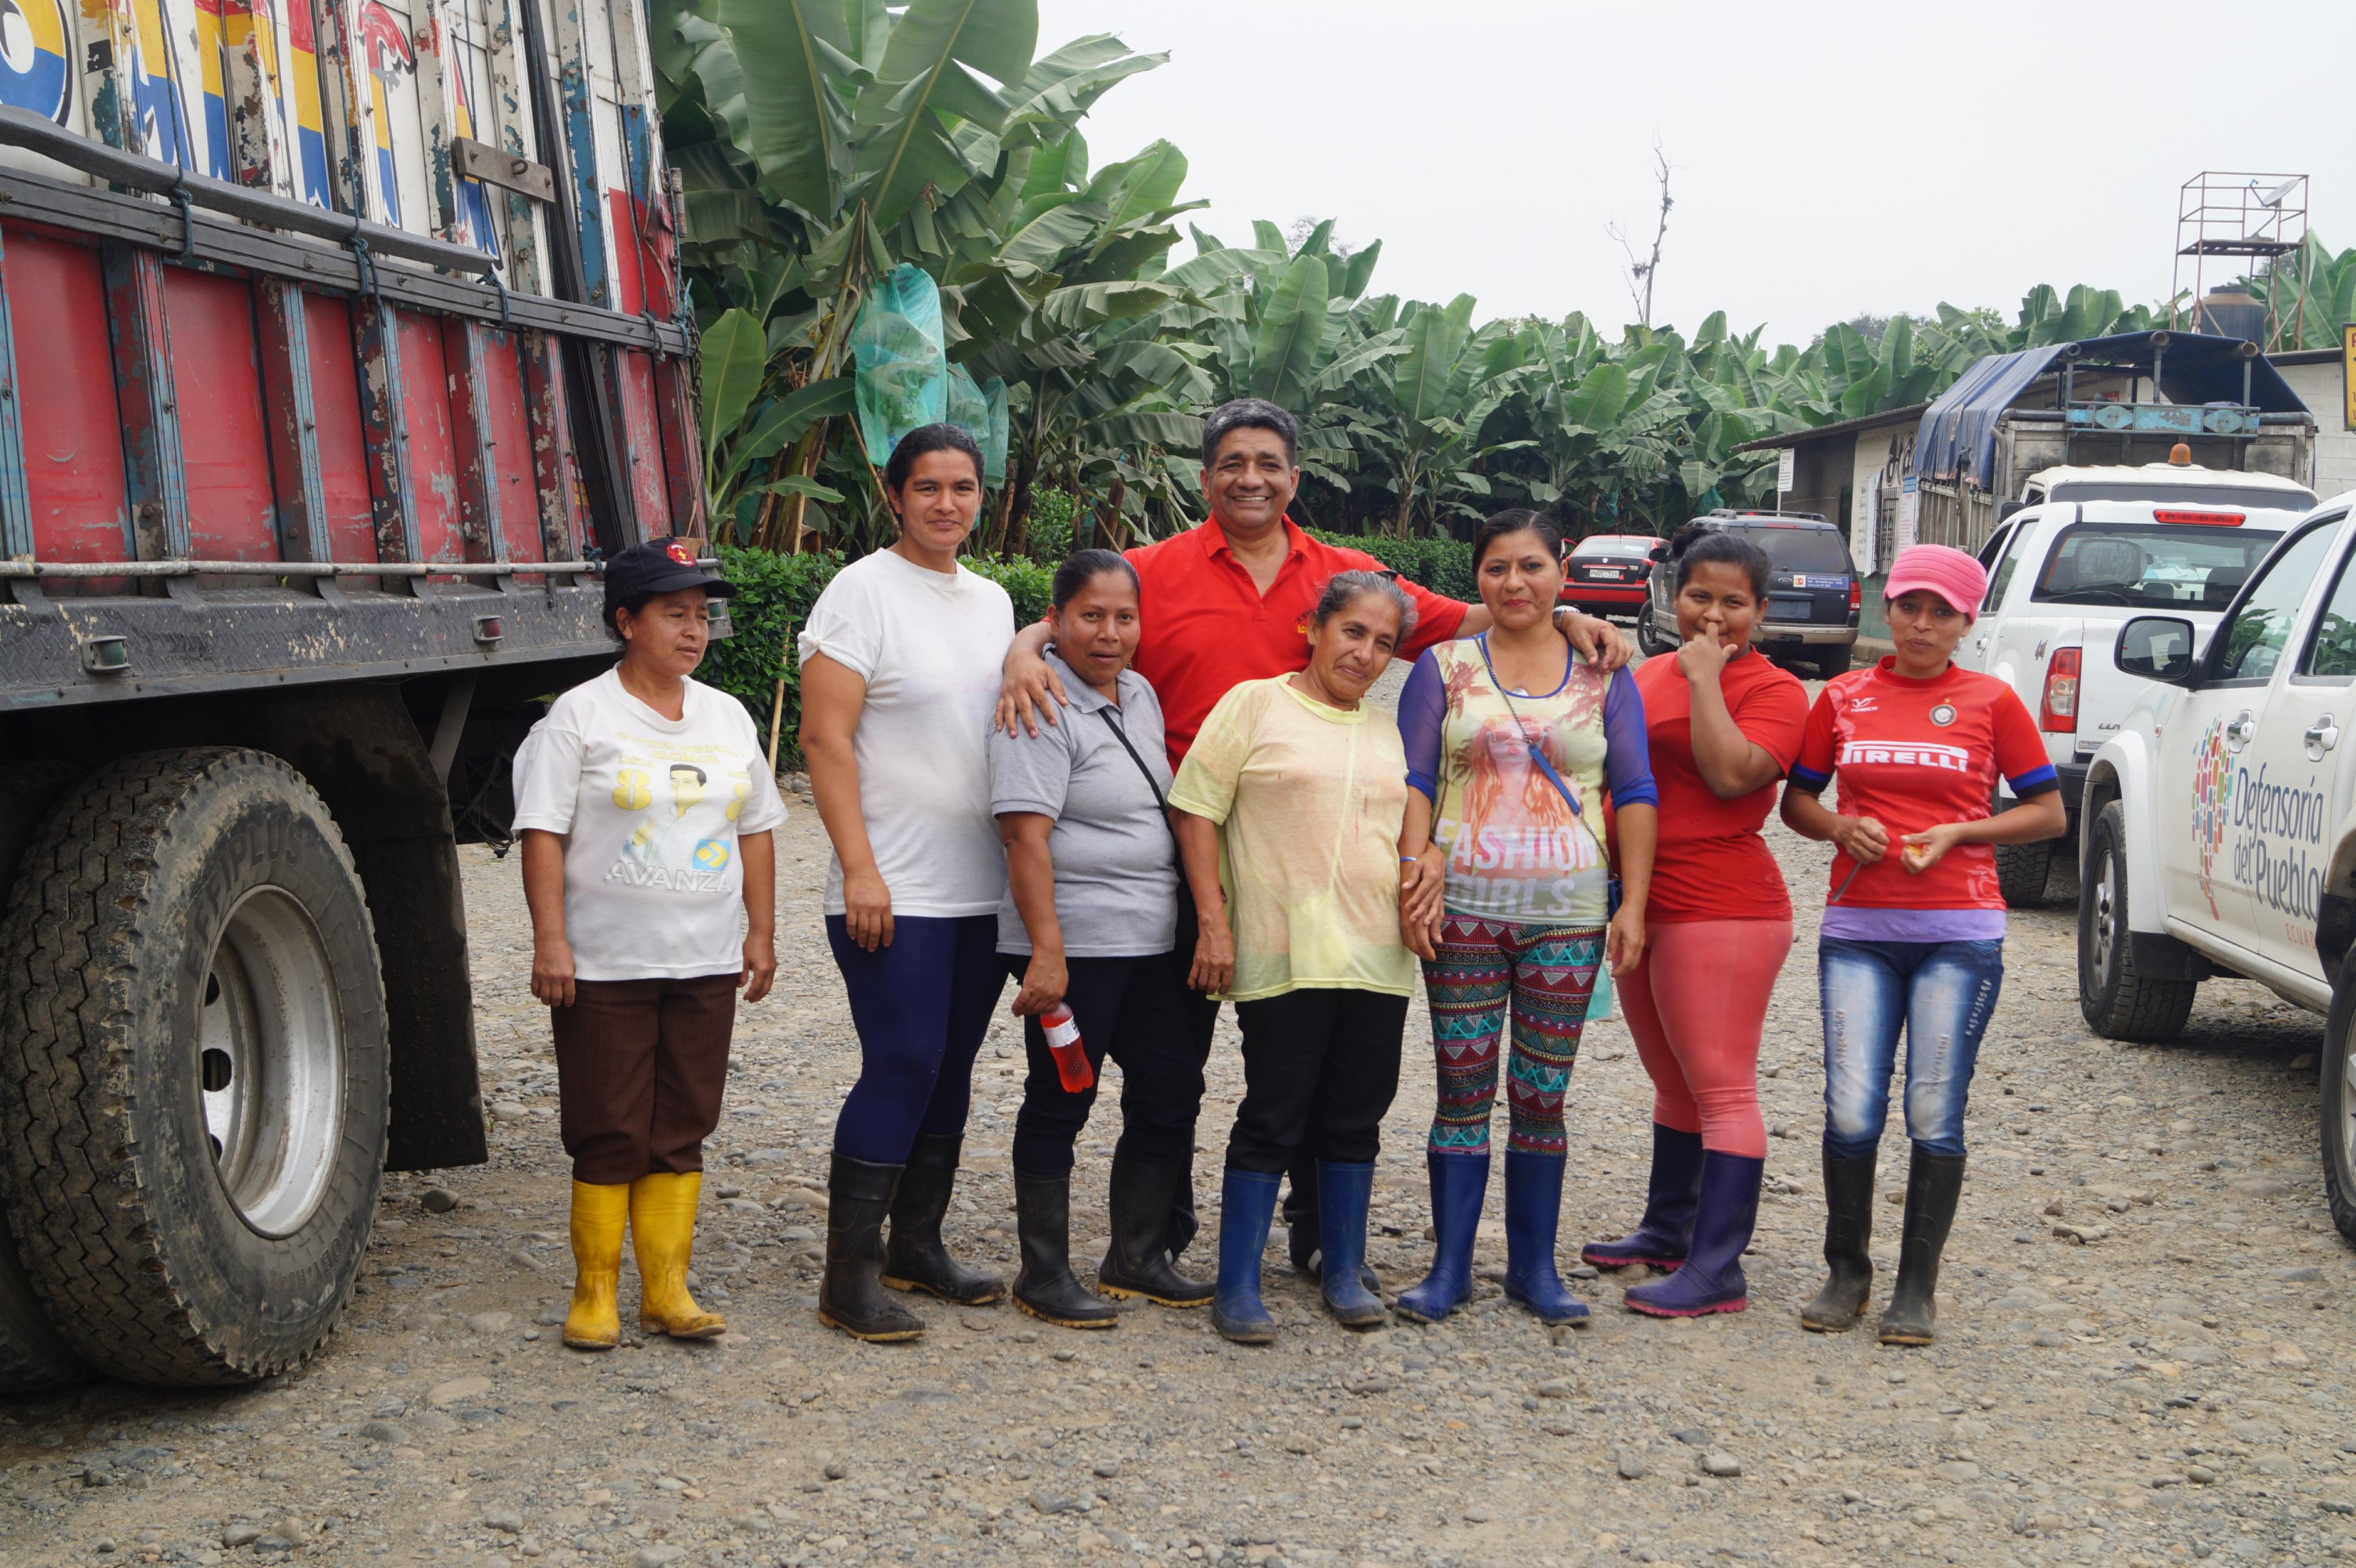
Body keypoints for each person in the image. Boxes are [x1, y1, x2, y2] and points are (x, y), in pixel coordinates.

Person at [997, 398, 1633, 1283]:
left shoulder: (1347, 575)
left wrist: (1565, 619)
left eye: (1268, 463)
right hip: (1182, 846)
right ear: (1204, 476)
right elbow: (1081, 610)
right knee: (1172, 1065)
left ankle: (1314, 1229)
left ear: (1294, 477)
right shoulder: (1153, 568)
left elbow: (1482, 611)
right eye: (1231, 462)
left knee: (1309, 1046)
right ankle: (1156, 1238)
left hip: (1304, 854)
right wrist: (1024, 647)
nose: (1250, 478)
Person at [1781, 544, 2065, 1345]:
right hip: (1858, 932)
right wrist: (1840, 826)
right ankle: (1847, 1272)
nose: (1921, 624)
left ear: (1966, 623)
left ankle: (1916, 1287)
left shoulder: (1991, 701)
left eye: (1942, 612)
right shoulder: (1842, 697)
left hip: (1959, 935)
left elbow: (2047, 813)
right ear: (1888, 608)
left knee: (1933, 1108)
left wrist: (1959, 832)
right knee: (1850, 1106)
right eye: (1909, 605)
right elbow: (1796, 802)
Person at [511, 537, 784, 1351]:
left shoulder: (727, 715)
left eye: (701, 615)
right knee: (608, 1122)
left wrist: (761, 930)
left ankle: (666, 1288)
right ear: (626, 621)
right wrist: (551, 940)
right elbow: (542, 831)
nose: (693, 630)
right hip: (604, 961)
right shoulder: (581, 715)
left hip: (704, 957)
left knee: (684, 1120)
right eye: (674, 614)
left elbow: (756, 828)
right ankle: (594, 1290)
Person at [1392, 511, 1659, 1328]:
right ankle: (1449, 1268)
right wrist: (1412, 870)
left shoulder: (1604, 672)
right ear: (1478, 577)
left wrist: (1633, 901)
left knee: (1543, 1093)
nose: (1514, 582)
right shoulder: (1443, 666)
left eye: (1532, 565)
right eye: (1497, 567)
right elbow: (1413, 777)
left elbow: (1635, 788)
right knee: (1461, 1090)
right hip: (1462, 913)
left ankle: (1534, 1269)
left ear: (1560, 572)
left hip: (1567, 916)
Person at [1168, 571, 1424, 1344]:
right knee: (1274, 1112)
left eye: (1383, 643)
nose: (1365, 653)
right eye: (1353, 631)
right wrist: (1213, 921)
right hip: (1283, 953)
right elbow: (1195, 809)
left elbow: (1414, 825)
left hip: (1376, 956)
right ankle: (1239, 1283)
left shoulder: (1386, 731)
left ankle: (1341, 1268)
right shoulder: (1255, 703)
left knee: (1356, 1114)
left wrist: (1430, 865)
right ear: (1314, 627)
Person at [799, 423, 1014, 1342]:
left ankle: (916, 1244)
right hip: (892, 885)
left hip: (980, 888)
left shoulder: (993, 600)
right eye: (926, 487)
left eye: (963, 487)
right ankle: (847, 1277)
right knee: (904, 1060)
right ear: (894, 496)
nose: (946, 503)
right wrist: (859, 867)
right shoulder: (861, 591)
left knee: (951, 1069)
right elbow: (823, 738)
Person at [1582, 530, 1809, 1317]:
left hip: (1723, 905)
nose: (1713, 614)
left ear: (1761, 611)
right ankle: (1668, 1229)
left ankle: (1718, 1268)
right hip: (1639, 900)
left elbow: (1728, 774)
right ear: (1671, 598)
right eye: (1698, 596)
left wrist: (1707, 677)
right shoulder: (1643, 673)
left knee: (1719, 1083)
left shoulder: (1777, 690)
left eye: (1733, 602)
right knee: (1672, 1081)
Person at [991, 550, 1211, 1328]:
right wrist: (1045, 952)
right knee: (1064, 1096)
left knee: (1172, 1087)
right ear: (1055, 621)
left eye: (1124, 617)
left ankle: (1137, 1256)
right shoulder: (1038, 701)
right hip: (1076, 944)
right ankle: (1043, 1272)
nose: (1109, 633)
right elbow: (1023, 837)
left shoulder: (1140, 693)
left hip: (1149, 940)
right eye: (1090, 616)